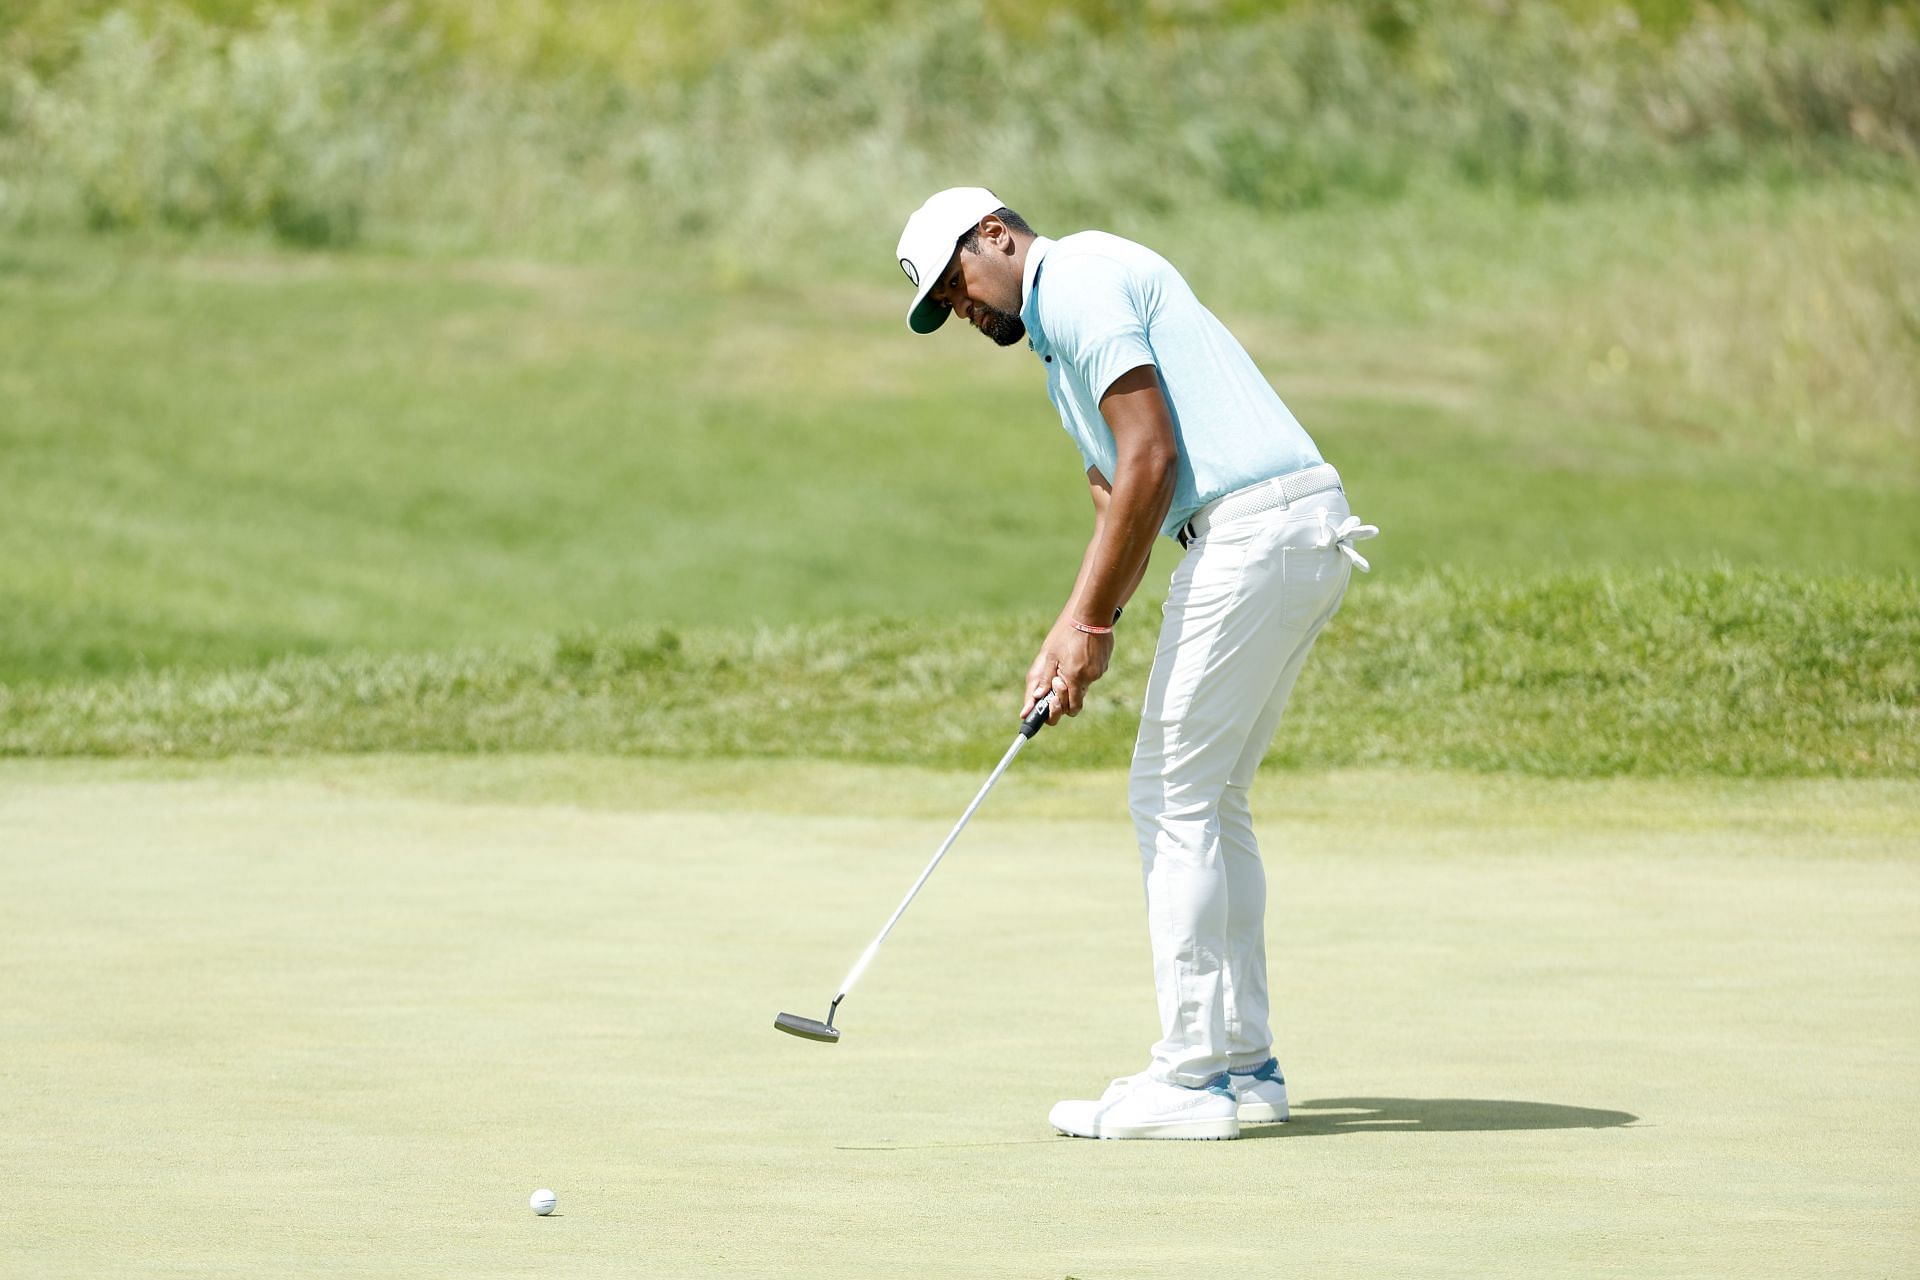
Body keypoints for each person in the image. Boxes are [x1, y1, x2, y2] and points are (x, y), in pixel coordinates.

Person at [893, 187, 1378, 1141]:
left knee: (1173, 794)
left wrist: (1094, 623)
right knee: (1210, 794)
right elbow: (1125, 495)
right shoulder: (1059, 347)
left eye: (957, 281)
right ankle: (1244, 1068)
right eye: (946, 305)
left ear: (996, 234)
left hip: (1257, 527)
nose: (963, 306)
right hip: (1287, 529)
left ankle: (1193, 1079)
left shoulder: (1076, 279)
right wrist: (1071, 627)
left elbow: (1150, 461)